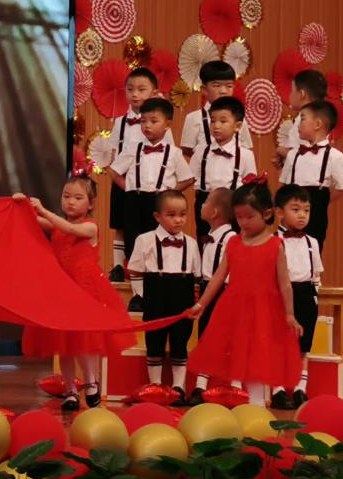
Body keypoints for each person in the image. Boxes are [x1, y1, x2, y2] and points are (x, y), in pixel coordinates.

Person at [186, 179, 302, 407]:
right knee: (239, 356)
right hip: (234, 309)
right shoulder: (233, 243)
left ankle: (256, 405)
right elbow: (218, 277)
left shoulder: (275, 245)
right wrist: (202, 304)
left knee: (257, 359)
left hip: (263, 312)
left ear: (267, 214)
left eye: (249, 217)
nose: (243, 222)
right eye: (239, 217)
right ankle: (244, 403)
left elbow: (285, 284)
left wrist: (289, 314)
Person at [24, 174, 133, 412]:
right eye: (66, 196)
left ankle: (91, 382)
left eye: (77, 198)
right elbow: (33, 222)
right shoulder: (56, 225)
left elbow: (70, 228)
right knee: (63, 344)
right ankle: (70, 390)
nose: (70, 202)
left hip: (84, 291)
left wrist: (42, 209)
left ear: (91, 203)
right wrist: (22, 205)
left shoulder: (89, 226)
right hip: (61, 291)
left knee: (84, 341)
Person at [116, 95, 191, 309]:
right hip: (135, 200)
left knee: (156, 245)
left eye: (153, 121)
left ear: (167, 125)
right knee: (134, 244)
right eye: (143, 121)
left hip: (159, 203)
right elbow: (115, 170)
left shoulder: (174, 153)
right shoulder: (133, 148)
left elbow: (188, 178)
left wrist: (169, 195)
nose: (147, 125)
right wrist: (129, 188)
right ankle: (138, 295)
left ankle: (155, 292)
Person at [129, 190, 199, 395]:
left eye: (183, 214)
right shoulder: (144, 240)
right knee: (154, 341)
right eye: (171, 215)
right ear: (157, 216)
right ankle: (155, 386)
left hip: (182, 295)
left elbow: (196, 276)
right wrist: (141, 296)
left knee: (180, 342)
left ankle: (178, 387)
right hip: (155, 295)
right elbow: (135, 270)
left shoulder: (192, 243)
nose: (178, 220)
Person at [274, 183, 326, 411]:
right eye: (295, 210)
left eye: (306, 210)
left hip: (306, 294)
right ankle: (277, 389)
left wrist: (314, 295)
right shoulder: (273, 240)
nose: (302, 215)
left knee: (303, 345)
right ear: (279, 212)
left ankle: (299, 389)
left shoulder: (312, 242)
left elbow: (316, 274)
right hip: (280, 295)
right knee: (279, 344)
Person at [106, 65, 161, 278]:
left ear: (154, 92)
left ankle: (148, 267)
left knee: (148, 225)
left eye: (141, 89)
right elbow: (114, 152)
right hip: (123, 181)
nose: (135, 94)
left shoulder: (160, 123)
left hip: (148, 184)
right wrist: (119, 179)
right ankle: (118, 267)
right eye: (130, 89)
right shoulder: (120, 122)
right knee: (120, 224)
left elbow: (166, 152)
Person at [185, 184, 237, 404]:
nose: (202, 206)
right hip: (208, 289)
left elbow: (227, 273)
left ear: (214, 212)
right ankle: (200, 387)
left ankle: (235, 387)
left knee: (230, 342)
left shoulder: (231, 238)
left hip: (224, 292)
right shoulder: (210, 237)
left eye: (205, 203)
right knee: (205, 338)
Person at [282, 99, 343, 251]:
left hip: (316, 215)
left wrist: (323, 200)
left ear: (317, 124)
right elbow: (284, 185)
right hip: (290, 212)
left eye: (302, 119)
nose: (298, 124)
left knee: (311, 253)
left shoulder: (335, 156)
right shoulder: (293, 155)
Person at [179, 60, 250, 166]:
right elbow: (187, 149)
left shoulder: (239, 118)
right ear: (204, 89)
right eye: (216, 85)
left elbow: (246, 148)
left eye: (229, 86)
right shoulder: (194, 118)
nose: (223, 91)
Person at [189, 95, 254, 203]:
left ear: (237, 126)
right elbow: (189, 177)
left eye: (223, 121)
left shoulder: (246, 155)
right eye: (213, 121)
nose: (216, 126)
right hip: (204, 201)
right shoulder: (201, 152)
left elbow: (250, 184)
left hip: (233, 202)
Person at [272, 69, 330, 168]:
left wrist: (282, 151)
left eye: (292, 91)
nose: (290, 95)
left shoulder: (309, 121)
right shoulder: (311, 117)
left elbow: (308, 156)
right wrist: (285, 160)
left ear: (302, 94)